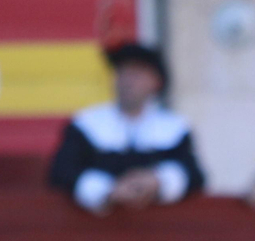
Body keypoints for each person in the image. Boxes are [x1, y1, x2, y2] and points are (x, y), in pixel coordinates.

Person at [47, 43, 205, 215]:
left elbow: (194, 175)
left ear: (156, 82)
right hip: (96, 230)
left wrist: (156, 181)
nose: (128, 80)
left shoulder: (174, 128)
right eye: (123, 72)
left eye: (137, 74)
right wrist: (108, 190)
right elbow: (61, 172)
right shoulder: (87, 123)